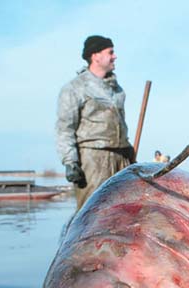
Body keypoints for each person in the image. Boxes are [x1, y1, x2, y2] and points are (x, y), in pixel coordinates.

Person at [56, 35, 134, 210]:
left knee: (123, 211)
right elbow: (64, 128)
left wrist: (128, 150)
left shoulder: (117, 90)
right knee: (91, 213)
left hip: (121, 159)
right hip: (92, 160)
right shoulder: (76, 88)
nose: (115, 56)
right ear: (95, 56)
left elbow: (120, 124)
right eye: (110, 52)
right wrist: (70, 162)